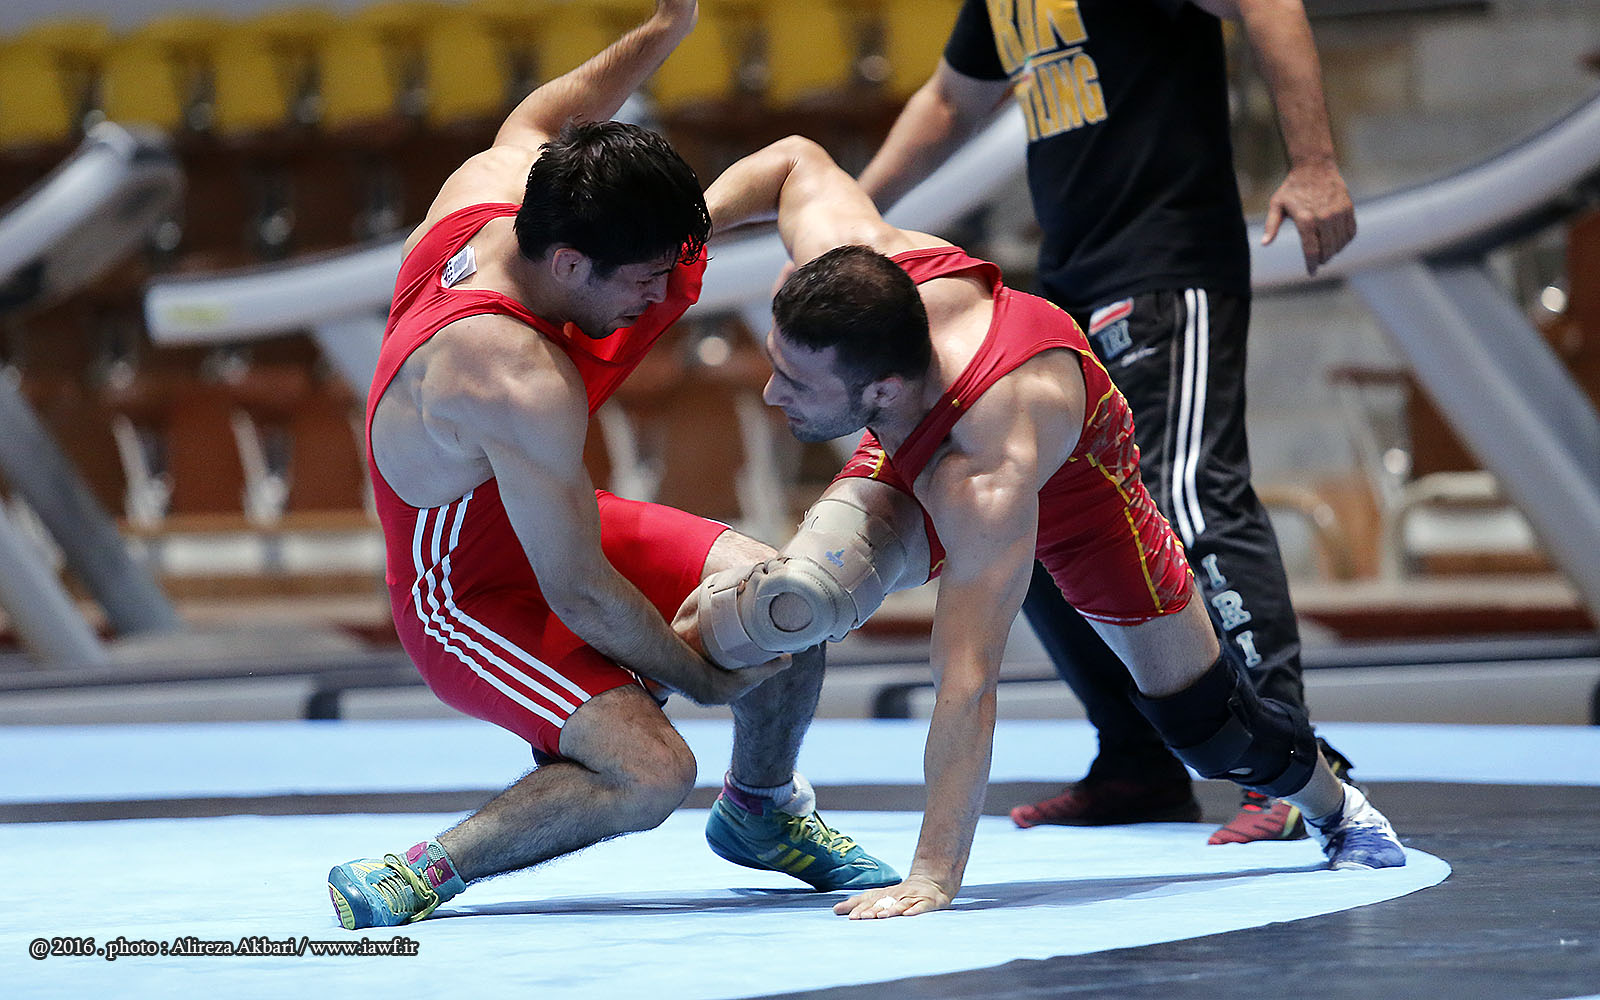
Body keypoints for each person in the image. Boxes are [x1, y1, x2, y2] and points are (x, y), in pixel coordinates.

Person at [686, 134, 1402, 919]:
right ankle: (759, 804)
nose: (770, 394)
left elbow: (966, 683)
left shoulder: (984, 470)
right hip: (920, 432)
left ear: (882, 389)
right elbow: (794, 160)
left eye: (793, 380)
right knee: (798, 596)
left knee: (1208, 730)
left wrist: (932, 875)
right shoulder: (856, 269)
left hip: (1080, 495)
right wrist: (683, 241)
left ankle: (1339, 806)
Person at [325, 1, 896, 931]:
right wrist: (699, 678)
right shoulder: (509, 373)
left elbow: (546, 116)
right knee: (653, 771)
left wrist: (668, 26)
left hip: (540, 516)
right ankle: (428, 866)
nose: (660, 297)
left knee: (790, 599)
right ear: (567, 262)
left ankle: (761, 811)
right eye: (642, 281)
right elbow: (578, 590)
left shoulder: (495, 186)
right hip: (464, 591)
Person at [853, 0, 1359, 844]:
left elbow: (1268, 4)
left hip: (1167, 261)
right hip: (1071, 279)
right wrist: (855, 220)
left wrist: (1313, 165)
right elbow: (947, 101)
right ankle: (1137, 759)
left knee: (1190, 493)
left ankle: (1289, 759)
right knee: (1043, 509)